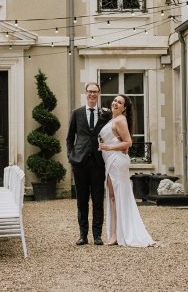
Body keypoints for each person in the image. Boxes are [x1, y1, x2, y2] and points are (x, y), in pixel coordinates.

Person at [98, 94, 157, 247]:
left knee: (117, 196)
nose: (116, 103)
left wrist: (109, 147)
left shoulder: (120, 120)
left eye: (120, 102)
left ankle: (117, 234)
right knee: (113, 196)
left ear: (124, 108)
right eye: (115, 100)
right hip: (111, 160)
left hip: (117, 161)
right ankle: (116, 232)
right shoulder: (112, 119)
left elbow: (128, 142)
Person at [66, 81, 111, 246]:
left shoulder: (105, 114)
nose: (92, 94)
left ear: (98, 94)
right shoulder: (76, 113)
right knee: (82, 200)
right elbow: (70, 137)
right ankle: (82, 235)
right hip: (80, 162)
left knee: (98, 199)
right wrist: (71, 156)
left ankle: (97, 235)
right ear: (86, 93)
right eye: (90, 91)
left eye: (95, 92)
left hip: (98, 162)